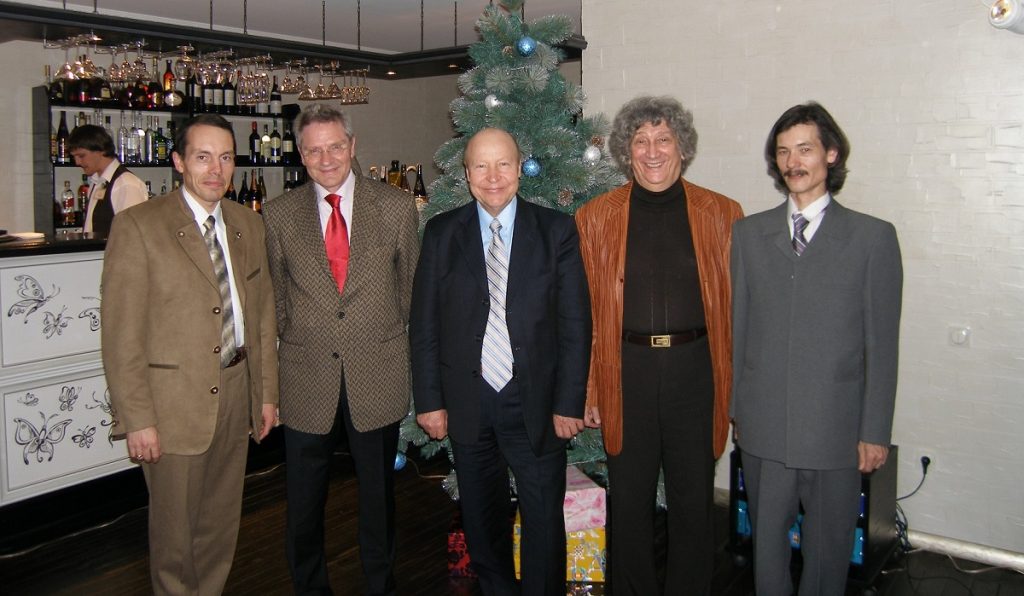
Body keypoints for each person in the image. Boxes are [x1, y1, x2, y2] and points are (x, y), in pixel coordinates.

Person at [101, 113, 279, 595]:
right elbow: (121, 335)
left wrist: (266, 394)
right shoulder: (139, 226)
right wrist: (137, 418)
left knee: (219, 527)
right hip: (171, 405)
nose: (216, 170)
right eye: (203, 157)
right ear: (179, 161)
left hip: (237, 390)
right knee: (175, 536)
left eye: (225, 158)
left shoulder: (248, 224)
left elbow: (261, 316)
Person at [409, 127, 592, 596]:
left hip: (537, 405)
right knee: (482, 519)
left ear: (520, 169)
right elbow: (425, 324)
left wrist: (569, 402)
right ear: (467, 173)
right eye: (481, 166)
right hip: (468, 402)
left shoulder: (556, 230)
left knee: (543, 519)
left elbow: (575, 324)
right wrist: (429, 401)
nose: (493, 176)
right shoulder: (442, 233)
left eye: (503, 164)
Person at [730, 102, 903, 596]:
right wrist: (739, 410)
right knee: (766, 551)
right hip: (764, 428)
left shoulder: (872, 239)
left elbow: (882, 347)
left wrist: (874, 431)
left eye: (804, 149)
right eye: (784, 152)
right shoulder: (748, 234)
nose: (793, 162)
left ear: (831, 154)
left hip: (836, 431)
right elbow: (740, 329)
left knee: (828, 556)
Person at [575, 96, 743, 595]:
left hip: (697, 373)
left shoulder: (723, 214)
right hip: (625, 373)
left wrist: (738, 390)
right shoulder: (595, 217)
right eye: (640, 141)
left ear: (682, 147)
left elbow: (740, 310)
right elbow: (584, 313)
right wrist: (590, 388)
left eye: (663, 139)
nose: (652, 151)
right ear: (626, 151)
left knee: (694, 503)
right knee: (629, 504)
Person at [262, 103, 419, 596]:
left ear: (352, 146)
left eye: (334, 146)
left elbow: (410, 292)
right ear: (300, 154)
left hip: (377, 371)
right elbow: (276, 300)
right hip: (306, 375)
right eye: (314, 150)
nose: (326, 158)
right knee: (303, 501)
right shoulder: (278, 214)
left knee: (378, 497)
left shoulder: (395, 207)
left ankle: (381, 585)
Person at [68, 124, 147, 237]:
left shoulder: (126, 184)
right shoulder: (97, 181)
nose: (77, 162)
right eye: (74, 157)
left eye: (81, 156)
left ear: (100, 150)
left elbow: (132, 234)